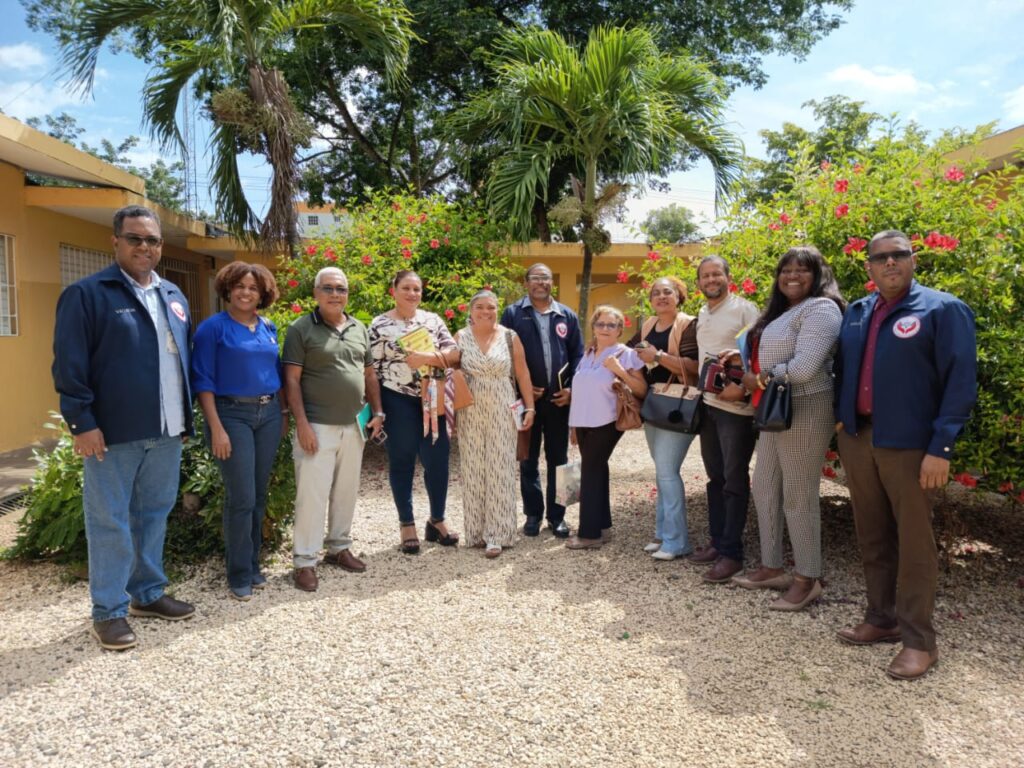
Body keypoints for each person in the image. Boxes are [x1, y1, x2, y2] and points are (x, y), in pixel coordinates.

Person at [834, 230, 976, 680]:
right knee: (872, 534)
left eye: (899, 255)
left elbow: (960, 382)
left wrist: (941, 447)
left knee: (914, 543)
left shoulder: (943, 309)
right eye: (881, 257)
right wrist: (841, 420)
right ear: (869, 267)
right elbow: (843, 370)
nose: (890, 262)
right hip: (860, 439)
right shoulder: (857, 311)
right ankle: (882, 618)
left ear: (914, 260)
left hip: (911, 446)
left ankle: (920, 642)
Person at [52, 205, 195, 650]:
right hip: (112, 434)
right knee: (110, 521)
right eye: (134, 238)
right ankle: (109, 611)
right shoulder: (88, 294)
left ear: (160, 246)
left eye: (152, 240)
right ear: (115, 241)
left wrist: (184, 417)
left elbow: (181, 357)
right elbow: (69, 366)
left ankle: (147, 594)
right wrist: (82, 423)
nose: (144, 247)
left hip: (167, 430)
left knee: (153, 515)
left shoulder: (173, 294)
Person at [731, 247, 844, 610]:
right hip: (776, 407)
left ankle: (808, 579)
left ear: (818, 275)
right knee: (765, 486)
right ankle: (772, 566)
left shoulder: (822, 308)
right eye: (786, 270)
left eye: (802, 270)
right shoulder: (784, 311)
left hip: (806, 406)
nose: (792, 276)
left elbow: (805, 368)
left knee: (798, 494)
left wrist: (760, 378)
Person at [283, 267, 383, 592]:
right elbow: (291, 381)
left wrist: (378, 411)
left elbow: (369, 375)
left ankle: (338, 547)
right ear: (316, 293)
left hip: (354, 425)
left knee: (346, 491)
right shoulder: (301, 329)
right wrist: (301, 424)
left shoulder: (358, 328)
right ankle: (304, 561)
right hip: (316, 425)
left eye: (341, 289)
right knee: (311, 496)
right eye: (328, 288)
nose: (335, 294)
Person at [191, 262, 286, 601]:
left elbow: (275, 371)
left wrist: (283, 414)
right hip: (232, 416)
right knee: (241, 497)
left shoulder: (268, 327)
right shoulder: (212, 329)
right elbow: (202, 381)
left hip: (269, 414)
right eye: (240, 286)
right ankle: (239, 574)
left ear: (263, 294)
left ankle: (254, 565)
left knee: (258, 495)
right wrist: (216, 428)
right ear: (228, 289)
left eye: (253, 288)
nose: (246, 292)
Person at [370, 270, 460, 554]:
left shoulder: (432, 320)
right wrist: (377, 410)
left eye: (417, 289)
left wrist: (427, 357)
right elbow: (371, 370)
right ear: (393, 291)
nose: (412, 294)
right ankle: (406, 524)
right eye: (406, 288)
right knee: (402, 460)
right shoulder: (379, 325)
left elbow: (455, 354)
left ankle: (437, 520)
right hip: (396, 399)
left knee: (437, 461)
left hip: (432, 397)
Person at [690, 256, 760, 583]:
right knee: (715, 479)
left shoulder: (745, 310)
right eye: (705, 275)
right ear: (698, 283)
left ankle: (732, 554)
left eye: (716, 274)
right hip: (708, 406)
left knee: (734, 481)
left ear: (728, 277)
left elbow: (760, 354)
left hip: (737, 412)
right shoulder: (703, 312)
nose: (711, 279)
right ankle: (718, 542)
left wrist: (743, 390)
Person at [501, 263, 584, 538]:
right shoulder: (512, 314)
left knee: (562, 460)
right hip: (527, 404)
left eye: (545, 277)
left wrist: (572, 390)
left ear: (552, 282)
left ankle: (558, 517)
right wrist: (521, 389)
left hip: (560, 401)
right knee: (528, 459)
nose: (540, 282)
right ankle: (533, 515)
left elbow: (578, 356)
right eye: (535, 278)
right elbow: (503, 355)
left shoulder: (567, 316)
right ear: (526, 283)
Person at [454, 290, 536, 557]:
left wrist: (530, 407)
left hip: (502, 407)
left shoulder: (510, 337)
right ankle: (477, 532)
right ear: (470, 310)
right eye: (480, 306)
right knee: (473, 468)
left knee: (500, 467)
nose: (485, 312)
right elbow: (450, 372)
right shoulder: (460, 337)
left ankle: (498, 534)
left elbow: (522, 373)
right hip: (470, 409)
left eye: (491, 307)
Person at [627, 277, 700, 561]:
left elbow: (693, 368)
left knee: (668, 472)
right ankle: (662, 534)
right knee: (662, 472)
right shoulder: (648, 325)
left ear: (679, 297)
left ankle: (677, 541)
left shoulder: (688, 325)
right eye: (655, 293)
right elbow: (628, 351)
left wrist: (657, 356)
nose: (661, 296)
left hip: (678, 406)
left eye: (667, 292)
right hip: (654, 404)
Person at [566, 306, 647, 550]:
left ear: (620, 329)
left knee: (590, 472)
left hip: (607, 422)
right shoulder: (588, 353)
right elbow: (581, 392)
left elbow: (641, 390)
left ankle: (589, 534)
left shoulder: (626, 354)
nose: (605, 328)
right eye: (600, 324)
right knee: (597, 470)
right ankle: (602, 527)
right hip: (583, 422)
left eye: (611, 325)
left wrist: (619, 370)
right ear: (593, 327)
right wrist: (573, 425)